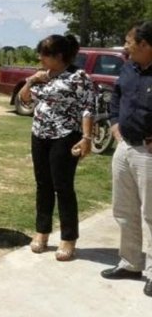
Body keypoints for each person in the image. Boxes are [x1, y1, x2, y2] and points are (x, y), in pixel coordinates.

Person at [18, 34, 94, 261]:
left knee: (62, 186)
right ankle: (42, 232)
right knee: (43, 184)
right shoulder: (44, 75)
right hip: (39, 134)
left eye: (43, 54)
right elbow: (26, 101)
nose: (39, 57)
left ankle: (68, 238)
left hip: (65, 135)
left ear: (58, 56)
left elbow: (87, 108)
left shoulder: (78, 77)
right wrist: (31, 81)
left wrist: (87, 137)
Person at [100, 21, 152, 297]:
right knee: (124, 209)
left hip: (148, 153)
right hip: (124, 148)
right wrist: (113, 122)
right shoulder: (129, 68)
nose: (125, 47)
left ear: (145, 45)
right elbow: (116, 96)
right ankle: (131, 262)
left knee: (151, 214)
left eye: (129, 42)